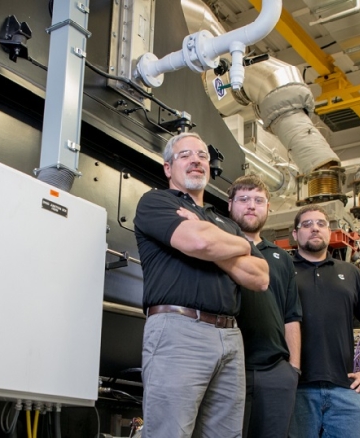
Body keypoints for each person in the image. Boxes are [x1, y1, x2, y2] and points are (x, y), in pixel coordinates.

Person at [134, 132, 269, 438]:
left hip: (230, 337)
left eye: (202, 156)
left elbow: (260, 277)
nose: (196, 160)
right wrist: (238, 246)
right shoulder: (156, 202)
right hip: (179, 329)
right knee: (170, 432)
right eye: (185, 155)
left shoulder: (224, 222)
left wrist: (224, 243)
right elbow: (196, 242)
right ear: (168, 168)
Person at [288, 205, 360, 438]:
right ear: (295, 234)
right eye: (307, 224)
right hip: (296, 389)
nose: (315, 229)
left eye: (321, 224)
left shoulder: (350, 273)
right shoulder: (283, 269)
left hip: (345, 388)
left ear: (329, 232)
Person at [227, 175, 302, 438]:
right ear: (230, 205)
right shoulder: (219, 245)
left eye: (259, 200)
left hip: (275, 371)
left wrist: (293, 369)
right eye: (244, 199)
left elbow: (291, 315)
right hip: (229, 366)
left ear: (268, 207)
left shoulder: (282, 258)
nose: (251, 205)